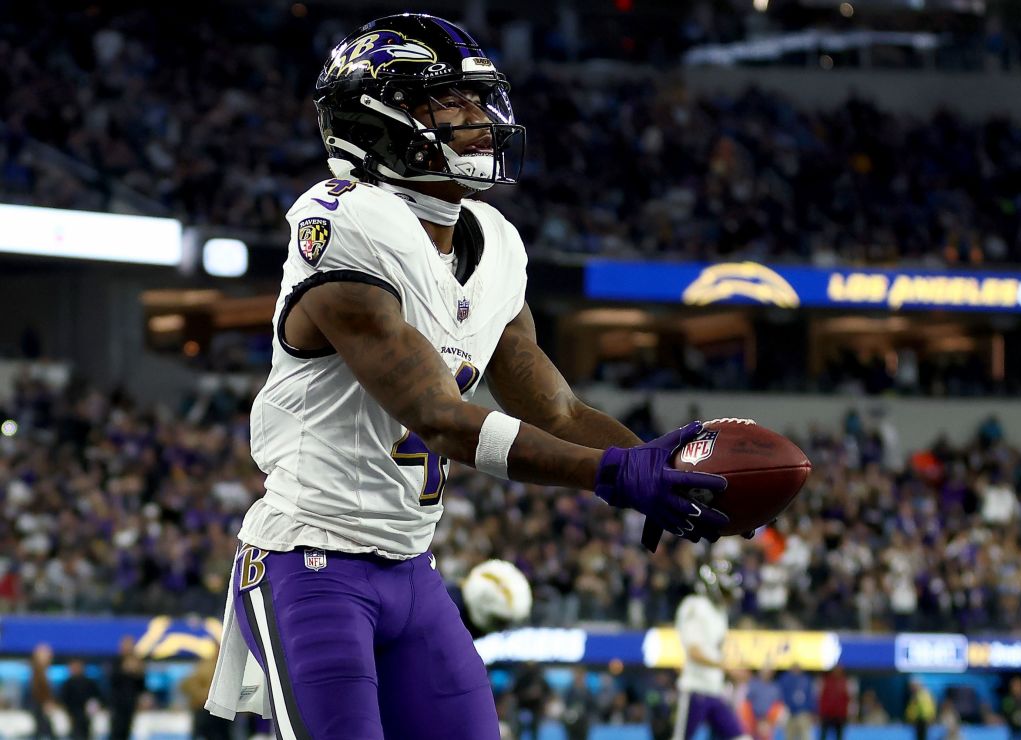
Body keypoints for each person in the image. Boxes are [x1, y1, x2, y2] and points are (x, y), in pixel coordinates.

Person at [204, 13, 730, 740]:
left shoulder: (497, 244)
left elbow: (558, 410)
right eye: (445, 103)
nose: (477, 120)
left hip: (412, 570)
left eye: (478, 101)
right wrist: (611, 476)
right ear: (375, 120)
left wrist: (655, 463)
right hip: (309, 561)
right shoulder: (343, 222)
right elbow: (441, 417)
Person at [671, 562, 745, 740]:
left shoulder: (719, 612)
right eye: (726, 593)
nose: (728, 599)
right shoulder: (695, 606)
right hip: (695, 689)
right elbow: (695, 652)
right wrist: (727, 667)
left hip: (715, 689)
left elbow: (715, 649)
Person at [108, 636, 145, 740]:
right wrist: (126, 670)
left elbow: (141, 686)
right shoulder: (115, 662)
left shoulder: (138, 663)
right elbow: (112, 680)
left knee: (126, 732)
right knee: (116, 731)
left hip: (130, 704)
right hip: (117, 704)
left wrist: (138, 673)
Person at [58, 660, 101, 740]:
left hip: (87, 714)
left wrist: (93, 709)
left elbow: (97, 698)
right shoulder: (67, 683)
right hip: (72, 714)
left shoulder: (89, 682)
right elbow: (62, 699)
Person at [778, 665, 815, 740]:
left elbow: (811, 696)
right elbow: (782, 696)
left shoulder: (805, 679)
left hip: (803, 713)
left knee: (805, 736)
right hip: (789, 713)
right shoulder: (786, 679)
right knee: (789, 736)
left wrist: (812, 711)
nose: (796, 670)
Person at [28, 643, 56, 740]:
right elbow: (35, 694)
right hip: (37, 713)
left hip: (42, 713)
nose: (49, 658)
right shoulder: (36, 674)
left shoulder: (45, 673)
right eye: (46, 655)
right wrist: (46, 703)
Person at [817, 667, 849, 740]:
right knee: (823, 736)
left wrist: (845, 714)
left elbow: (847, 699)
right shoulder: (827, 681)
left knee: (839, 736)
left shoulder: (844, 682)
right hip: (827, 715)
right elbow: (822, 698)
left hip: (840, 715)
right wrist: (821, 713)